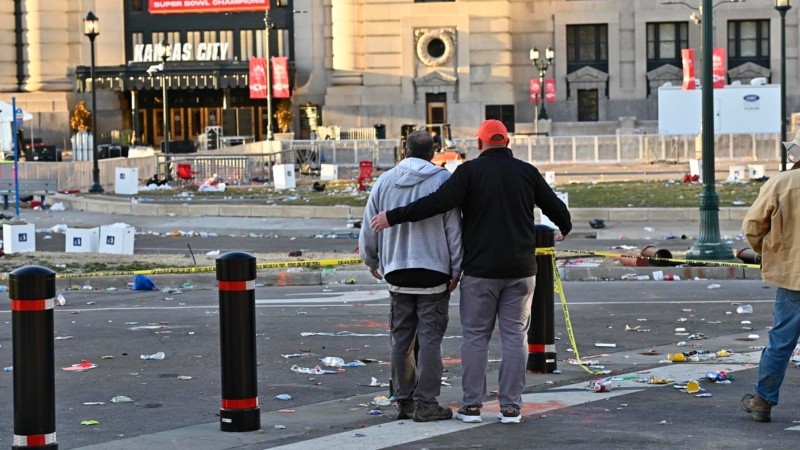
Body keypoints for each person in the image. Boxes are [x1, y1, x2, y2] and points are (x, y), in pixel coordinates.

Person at [370, 119, 571, 424]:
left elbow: (436, 205)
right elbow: (555, 207)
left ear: (479, 144)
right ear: (507, 142)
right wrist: (564, 227)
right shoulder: (527, 172)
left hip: (480, 271)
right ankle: (511, 407)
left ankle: (472, 406)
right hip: (521, 270)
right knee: (516, 336)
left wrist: (393, 217)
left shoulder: (469, 172)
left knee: (476, 337)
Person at [358, 130, 463, 422]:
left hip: (397, 271)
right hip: (434, 271)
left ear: (404, 150)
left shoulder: (385, 180)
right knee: (431, 340)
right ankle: (427, 404)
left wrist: (371, 259)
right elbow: (453, 229)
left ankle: (404, 401)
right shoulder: (443, 181)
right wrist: (457, 268)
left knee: (401, 339)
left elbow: (369, 225)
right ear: (433, 153)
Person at [741, 130, 800, 423]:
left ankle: (763, 401)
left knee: (781, 342)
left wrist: (765, 251)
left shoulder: (780, 183)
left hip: (793, 277)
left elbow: (752, 227)